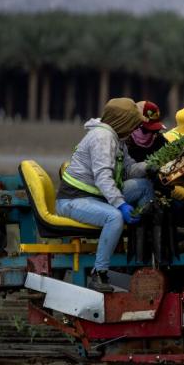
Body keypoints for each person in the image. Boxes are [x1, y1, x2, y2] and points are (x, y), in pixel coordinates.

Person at [55, 98, 155, 292]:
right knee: (114, 217)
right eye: (134, 122)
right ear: (123, 120)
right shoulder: (102, 138)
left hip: (96, 196)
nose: (136, 126)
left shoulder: (117, 139)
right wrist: (121, 205)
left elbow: (128, 170)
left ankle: (140, 253)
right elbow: (103, 178)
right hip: (74, 200)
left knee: (143, 186)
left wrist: (150, 166)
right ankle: (99, 273)